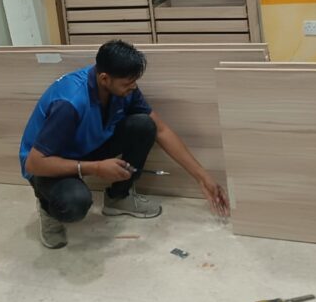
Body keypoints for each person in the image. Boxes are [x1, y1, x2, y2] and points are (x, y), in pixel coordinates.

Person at [19, 40, 230, 249]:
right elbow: (34, 163)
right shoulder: (69, 103)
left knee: (144, 125)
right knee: (75, 202)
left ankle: (118, 198)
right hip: (48, 164)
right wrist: (97, 168)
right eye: (127, 83)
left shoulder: (121, 88)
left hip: (86, 147)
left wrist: (202, 177)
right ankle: (48, 208)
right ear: (104, 79)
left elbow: (162, 130)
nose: (134, 86)